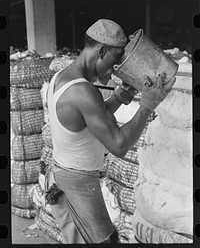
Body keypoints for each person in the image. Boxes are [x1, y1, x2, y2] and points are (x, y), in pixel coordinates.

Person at [46, 19, 176, 244]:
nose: (118, 67)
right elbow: (118, 145)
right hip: (78, 181)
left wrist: (121, 95)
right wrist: (147, 105)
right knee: (107, 241)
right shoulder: (84, 91)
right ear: (101, 50)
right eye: (117, 58)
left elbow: (85, 120)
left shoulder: (63, 77)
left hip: (62, 174)